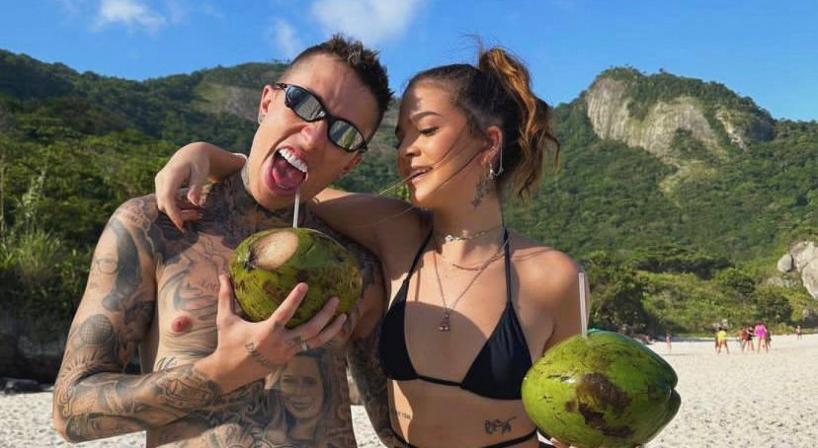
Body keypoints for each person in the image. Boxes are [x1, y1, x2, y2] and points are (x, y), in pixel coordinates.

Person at [156, 47, 589, 448]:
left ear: (489, 143)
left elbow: (573, 414)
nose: (406, 150)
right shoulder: (394, 233)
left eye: (426, 130)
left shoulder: (553, 276)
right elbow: (295, 188)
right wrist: (206, 154)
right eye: (401, 137)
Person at [52, 35, 399, 448]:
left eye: (343, 133)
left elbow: (397, 428)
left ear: (352, 162)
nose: (312, 138)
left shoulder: (355, 268)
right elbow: (70, 412)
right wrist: (225, 370)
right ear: (266, 102)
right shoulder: (155, 226)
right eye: (304, 103)